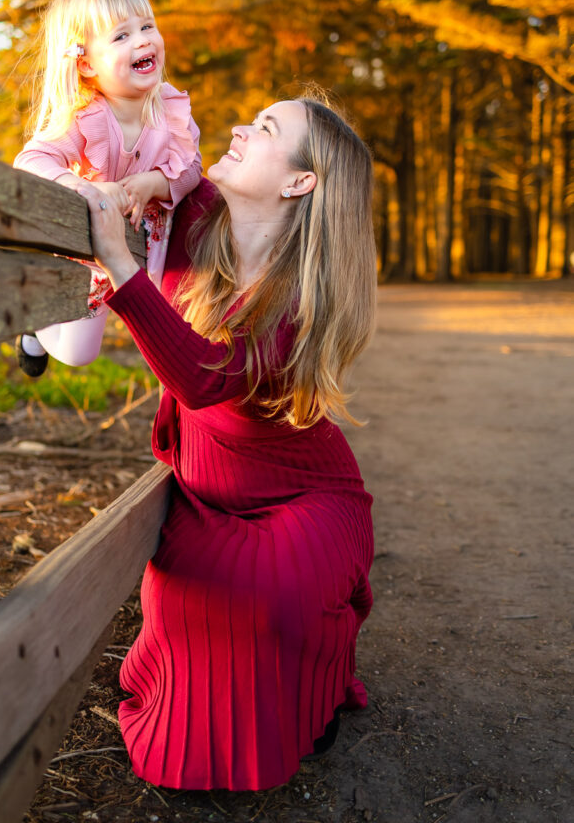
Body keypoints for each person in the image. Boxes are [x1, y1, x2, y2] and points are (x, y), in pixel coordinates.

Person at [78, 94, 377, 791]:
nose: (242, 126)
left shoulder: (299, 298)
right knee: (192, 603)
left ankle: (318, 679)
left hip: (306, 498)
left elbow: (208, 379)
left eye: (267, 128)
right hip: (207, 496)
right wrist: (153, 182)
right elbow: (152, 144)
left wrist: (120, 270)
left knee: (275, 598)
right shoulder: (193, 216)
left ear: (299, 181)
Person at [13, 0, 201, 374]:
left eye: (147, 26)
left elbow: (192, 169)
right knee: (80, 353)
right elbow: (31, 161)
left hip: (154, 252)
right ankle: (34, 327)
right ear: (86, 65)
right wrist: (81, 187)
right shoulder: (86, 119)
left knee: (178, 338)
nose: (143, 39)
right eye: (122, 35)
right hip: (94, 253)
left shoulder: (169, 110)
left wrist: (155, 182)